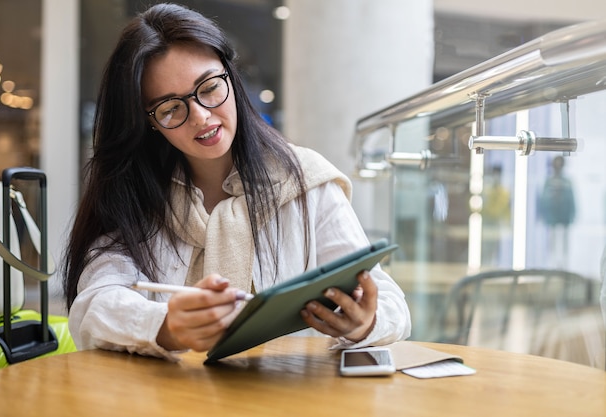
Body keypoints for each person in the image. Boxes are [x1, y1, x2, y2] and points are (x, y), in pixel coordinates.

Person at [62, 3, 411, 361]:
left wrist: (363, 323)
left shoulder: (307, 181)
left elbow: (390, 305)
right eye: (169, 109)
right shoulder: (137, 194)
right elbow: (92, 307)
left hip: (287, 392)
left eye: (209, 87)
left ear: (232, 77)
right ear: (148, 122)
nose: (200, 116)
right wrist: (164, 325)